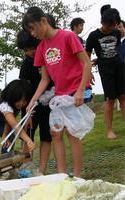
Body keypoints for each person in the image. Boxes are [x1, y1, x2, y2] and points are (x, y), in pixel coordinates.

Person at [23, 6, 92, 177]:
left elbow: (87, 63)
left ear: (43, 21)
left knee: (71, 132)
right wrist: (32, 101)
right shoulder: (41, 48)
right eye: (29, 30)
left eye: (33, 28)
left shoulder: (68, 36)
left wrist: (80, 90)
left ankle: (77, 177)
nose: (32, 33)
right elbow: (45, 79)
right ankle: (62, 176)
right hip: (60, 94)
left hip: (76, 90)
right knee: (55, 132)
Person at [17, 30, 53, 174]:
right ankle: (27, 169)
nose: (30, 52)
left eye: (32, 48)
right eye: (26, 50)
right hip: (29, 107)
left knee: (46, 136)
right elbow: (23, 91)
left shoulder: (48, 58)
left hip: (49, 103)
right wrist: (27, 111)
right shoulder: (26, 64)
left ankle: (42, 170)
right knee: (27, 136)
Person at [86, 7, 125, 139]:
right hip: (106, 71)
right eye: (110, 26)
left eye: (115, 25)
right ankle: (109, 130)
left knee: (123, 97)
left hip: (120, 68)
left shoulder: (117, 32)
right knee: (110, 100)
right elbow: (86, 58)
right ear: (102, 22)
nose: (113, 28)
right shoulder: (93, 36)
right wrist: (88, 73)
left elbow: (116, 49)